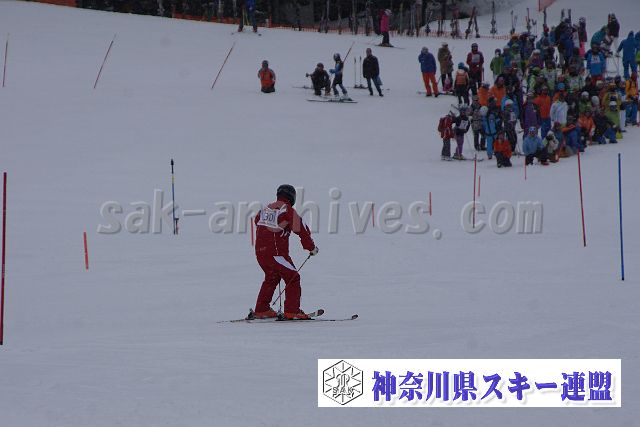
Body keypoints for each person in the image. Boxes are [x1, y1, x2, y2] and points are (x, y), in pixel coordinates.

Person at [252, 185, 318, 320]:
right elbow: (301, 228)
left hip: (260, 253)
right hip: (276, 254)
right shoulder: (286, 209)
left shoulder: (265, 209)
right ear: (292, 197)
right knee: (293, 278)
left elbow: (257, 221)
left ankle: (262, 309)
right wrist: (311, 247)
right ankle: (292, 311)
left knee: (271, 278)